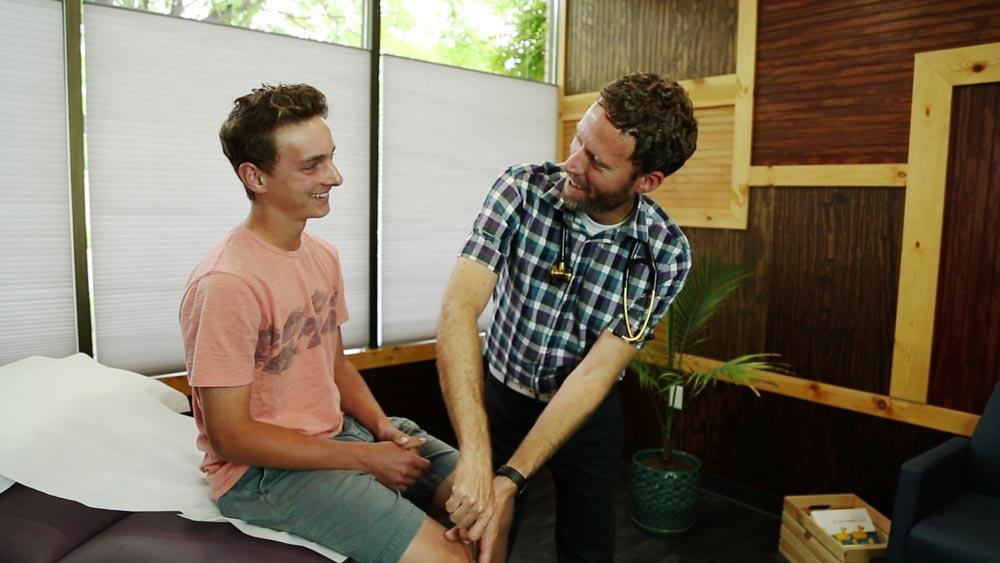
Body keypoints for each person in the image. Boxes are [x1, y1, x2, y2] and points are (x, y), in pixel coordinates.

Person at [179, 83, 470, 563]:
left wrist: (381, 431)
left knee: (487, 500)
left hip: (340, 432)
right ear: (255, 176)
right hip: (263, 473)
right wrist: (365, 459)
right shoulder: (226, 283)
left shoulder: (322, 255)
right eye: (311, 166)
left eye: (331, 158)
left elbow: (334, 365)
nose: (334, 177)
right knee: (453, 557)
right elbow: (230, 435)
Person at [436, 72, 698, 562]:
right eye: (579, 138)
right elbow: (459, 308)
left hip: (585, 412)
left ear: (647, 181)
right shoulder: (521, 190)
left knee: (588, 549)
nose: (571, 164)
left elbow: (599, 370)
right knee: (481, 538)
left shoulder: (665, 254)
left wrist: (512, 477)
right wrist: (477, 455)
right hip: (499, 395)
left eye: (596, 161)